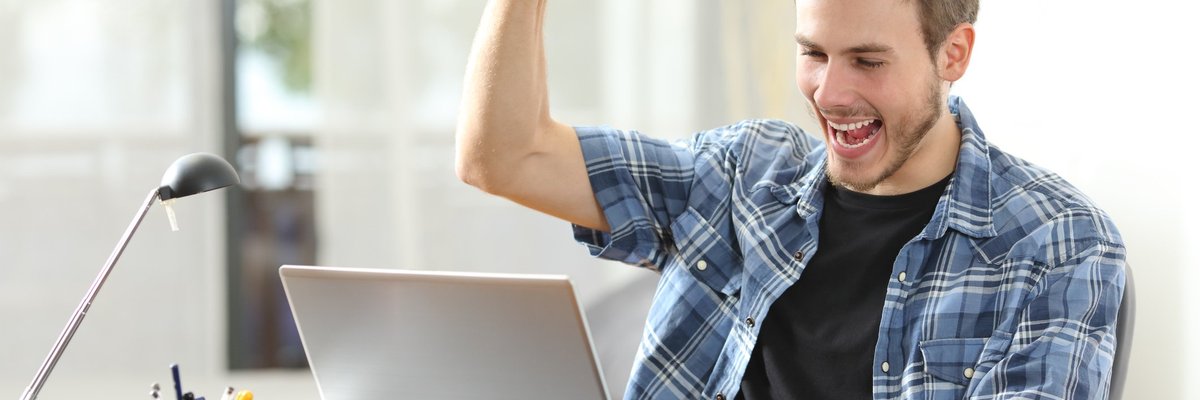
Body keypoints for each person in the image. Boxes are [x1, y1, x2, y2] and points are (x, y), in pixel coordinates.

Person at [455, 0, 1127, 399]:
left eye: (868, 61)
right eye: (813, 52)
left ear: (953, 54)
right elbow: (504, 155)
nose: (829, 94)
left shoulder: (1056, 244)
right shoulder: (740, 176)